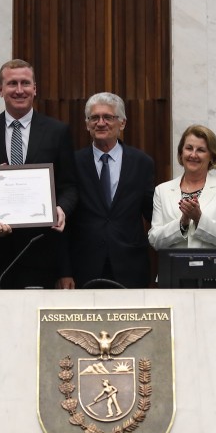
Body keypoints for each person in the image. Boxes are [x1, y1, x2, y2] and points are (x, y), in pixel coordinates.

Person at [0, 59, 78, 289]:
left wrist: (61, 208)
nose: (19, 90)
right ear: (0, 89)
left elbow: (70, 185)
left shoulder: (58, 131)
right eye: (12, 83)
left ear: (35, 88)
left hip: (40, 252)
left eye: (25, 83)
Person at [70, 93, 155, 289]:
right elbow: (66, 221)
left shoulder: (142, 163)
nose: (101, 123)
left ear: (122, 123)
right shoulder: (73, 163)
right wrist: (64, 271)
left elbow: (152, 213)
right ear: (87, 124)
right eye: (94, 118)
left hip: (131, 266)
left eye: (108, 117)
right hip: (83, 267)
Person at [148, 125, 216, 250]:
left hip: (211, 269)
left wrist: (199, 219)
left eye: (201, 150)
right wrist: (182, 224)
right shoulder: (162, 190)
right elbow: (155, 240)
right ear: (181, 152)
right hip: (174, 269)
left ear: (212, 156)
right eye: (189, 148)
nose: (193, 155)